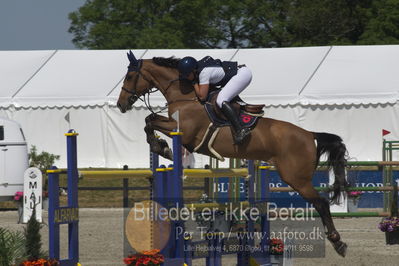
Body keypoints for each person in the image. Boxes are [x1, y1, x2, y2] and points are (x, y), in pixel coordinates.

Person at [178, 56, 252, 144]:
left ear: (193, 70)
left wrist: (194, 83)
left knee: (221, 100)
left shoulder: (203, 73)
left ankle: (240, 130)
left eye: (187, 75)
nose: (186, 77)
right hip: (240, 72)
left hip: (242, 75)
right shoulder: (199, 69)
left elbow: (202, 97)